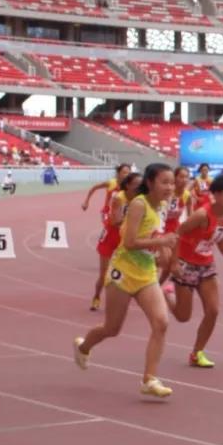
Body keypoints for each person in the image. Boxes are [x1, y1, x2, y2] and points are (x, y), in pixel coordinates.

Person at [73, 164, 176, 399]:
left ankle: (149, 380)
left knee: (161, 322)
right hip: (123, 272)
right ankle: (83, 347)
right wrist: (161, 243)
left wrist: (163, 252)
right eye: (164, 182)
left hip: (146, 273)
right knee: (112, 328)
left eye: (172, 183)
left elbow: (155, 234)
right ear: (150, 183)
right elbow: (129, 243)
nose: (170, 187)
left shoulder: (163, 205)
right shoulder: (139, 204)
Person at [167, 173, 223, 368]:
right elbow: (177, 233)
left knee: (213, 311)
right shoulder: (201, 215)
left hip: (207, 266)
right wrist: (174, 263)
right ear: (216, 194)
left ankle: (197, 353)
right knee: (183, 317)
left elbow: (219, 240)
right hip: (186, 265)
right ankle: (167, 294)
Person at [90, 172, 142, 311]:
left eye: (140, 184)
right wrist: (132, 220)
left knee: (128, 271)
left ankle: (122, 299)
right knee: (104, 273)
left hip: (126, 237)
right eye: (136, 184)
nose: (138, 187)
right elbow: (114, 221)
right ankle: (96, 296)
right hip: (111, 236)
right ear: (128, 185)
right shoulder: (119, 198)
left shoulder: (141, 199)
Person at [158, 165, 192, 287]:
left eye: (186, 177)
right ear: (175, 178)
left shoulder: (187, 195)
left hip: (174, 230)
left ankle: (157, 286)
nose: (184, 180)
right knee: (163, 259)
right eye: (181, 177)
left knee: (170, 264)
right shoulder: (167, 192)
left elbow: (190, 217)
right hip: (160, 227)